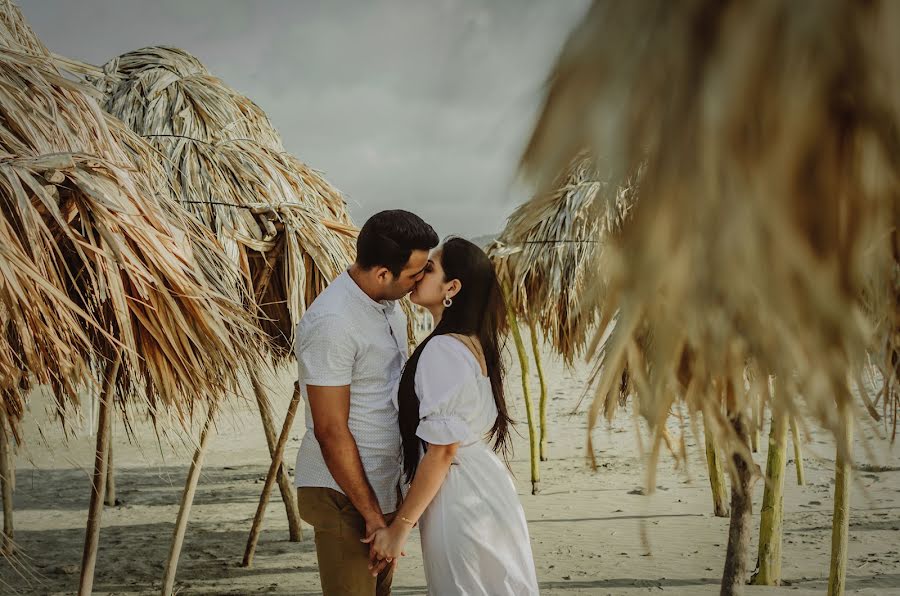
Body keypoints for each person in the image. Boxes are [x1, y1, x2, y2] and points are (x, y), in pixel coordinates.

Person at [363, 237, 540, 595]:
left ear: (452, 287)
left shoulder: (442, 349)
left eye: (429, 268)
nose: (417, 274)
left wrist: (400, 528)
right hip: (484, 485)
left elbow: (442, 451)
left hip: (459, 494)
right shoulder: (473, 341)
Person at [294, 209, 439, 595]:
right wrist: (373, 518)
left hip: (383, 485)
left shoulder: (389, 308)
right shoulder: (332, 323)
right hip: (344, 493)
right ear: (382, 274)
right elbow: (329, 430)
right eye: (414, 274)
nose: (420, 280)